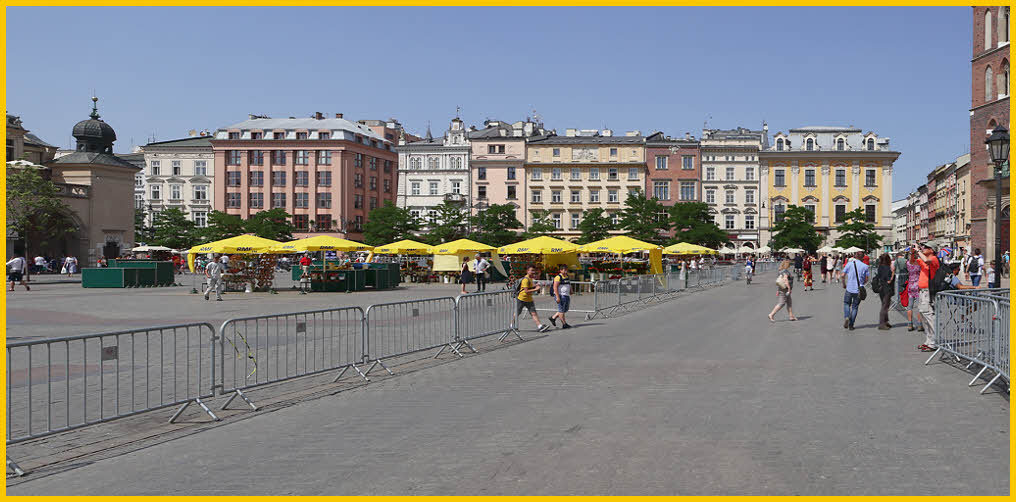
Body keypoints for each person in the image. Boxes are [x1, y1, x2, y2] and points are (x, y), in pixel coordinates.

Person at [916, 245, 940, 351]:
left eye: (926, 247)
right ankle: (928, 340)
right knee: (923, 315)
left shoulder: (934, 259)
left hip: (929, 291)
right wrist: (913, 252)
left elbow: (926, 260)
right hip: (922, 291)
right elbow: (913, 261)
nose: (923, 248)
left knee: (929, 316)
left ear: (931, 250)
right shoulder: (924, 258)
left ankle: (933, 342)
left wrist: (918, 250)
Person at [514, 265, 549, 332]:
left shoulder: (530, 278)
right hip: (522, 299)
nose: (533, 272)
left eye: (534, 270)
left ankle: (540, 326)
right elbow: (526, 291)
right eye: (532, 270)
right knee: (517, 313)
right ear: (527, 271)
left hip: (529, 299)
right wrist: (536, 289)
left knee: (533, 313)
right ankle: (512, 325)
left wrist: (535, 286)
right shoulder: (525, 279)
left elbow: (530, 287)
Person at [841, 251, 869, 331]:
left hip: (849, 288)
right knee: (855, 307)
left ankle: (846, 317)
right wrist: (861, 284)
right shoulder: (865, 266)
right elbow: (866, 279)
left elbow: (842, 275)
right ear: (863, 257)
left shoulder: (849, 264)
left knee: (846, 303)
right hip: (858, 290)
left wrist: (844, 284)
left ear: (855, 256)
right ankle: (851, 325)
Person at [548, 264, 573, 329]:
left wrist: (571, 290)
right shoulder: (558, 277)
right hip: (561, 295)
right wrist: (557, 297)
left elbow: (569, 284)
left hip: (566, 295)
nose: (565, 271)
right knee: (561, 310)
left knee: (565, 309)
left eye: (566, 270)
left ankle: (553, 318)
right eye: (564, 270)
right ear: (560, 270)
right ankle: (564, 324)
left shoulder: (567, 276)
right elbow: (555, 287)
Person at [875, 253, 894, 330]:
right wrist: (893, 273)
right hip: (887, 289)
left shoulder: (880, 267)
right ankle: (881, 323)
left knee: (884, 304)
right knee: (885, 306)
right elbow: (889, 280)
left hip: (881, 288)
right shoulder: (887, 268)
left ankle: (886, 321)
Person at [906, 250, 922, 331]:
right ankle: (919, 324)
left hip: (910, 285)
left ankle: (910, 324)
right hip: (918, 285)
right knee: (919, 306)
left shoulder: (908, 263)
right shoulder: (919, 263)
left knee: (910, 306)